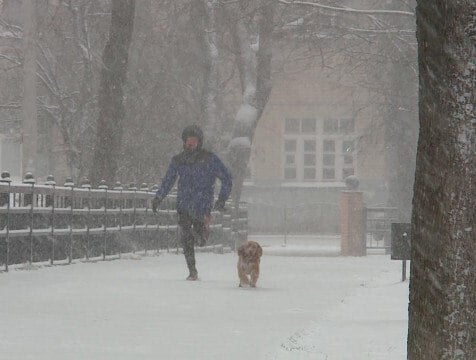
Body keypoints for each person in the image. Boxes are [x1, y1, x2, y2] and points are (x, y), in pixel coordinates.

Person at [152, 125, 232, 281]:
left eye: (194, 140)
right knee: (186, 236)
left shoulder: (209, 159)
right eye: (188, 140)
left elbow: (227, 179)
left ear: (199, 142)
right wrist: (158, 197)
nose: (191, 143)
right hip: (184, 203)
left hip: (202, 205)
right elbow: (168, 180)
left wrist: (222, 199)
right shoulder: (178, 160)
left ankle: (204, 231)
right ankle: (192, 270)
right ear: (184, 141)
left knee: (199, 239)